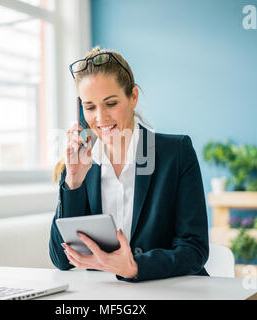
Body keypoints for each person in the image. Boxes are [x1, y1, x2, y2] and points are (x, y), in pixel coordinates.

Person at [49, 47, 209, 282]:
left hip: (172, 292)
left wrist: (134, 267)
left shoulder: (176, 153)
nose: (101, 118)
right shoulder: (81, 164)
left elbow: (194, 250)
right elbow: (60, 260)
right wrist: (73, 182)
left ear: (133, 97)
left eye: (111, 103)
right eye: (90, 107)